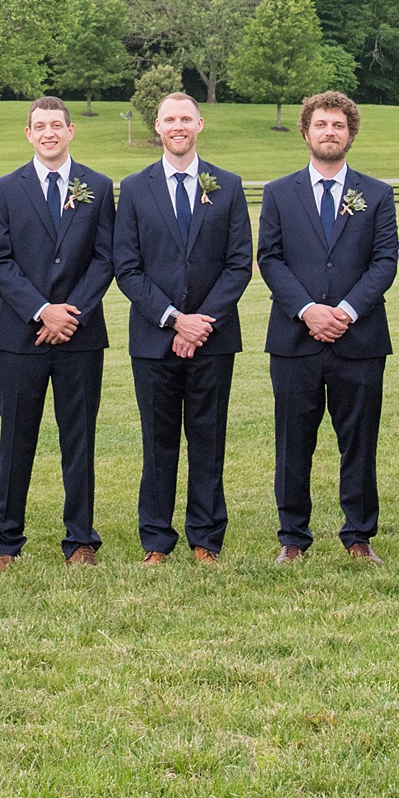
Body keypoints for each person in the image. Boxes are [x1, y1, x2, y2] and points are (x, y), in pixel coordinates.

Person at [256, 90, 399, 565]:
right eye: (322, 124)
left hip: (358, 340)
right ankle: (292, 537)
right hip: (295, 339)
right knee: (293, 439)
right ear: (306, 131)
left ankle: (359, 535)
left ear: (350, 134)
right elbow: (270, 259)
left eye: (339, 125)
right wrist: (307, 310)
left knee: (358, 439)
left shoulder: (377, 194)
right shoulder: (279, 193)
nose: (330, 132)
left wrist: (346, 311)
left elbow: (384, 261)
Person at [112, 91, 254, 565]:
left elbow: (238, 265)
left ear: (200, 124)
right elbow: (127, 268)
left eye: (186, 119)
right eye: (169, 119)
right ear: (157, 126)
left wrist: (200, 323)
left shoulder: (227, 185)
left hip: (213, 340)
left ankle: (206, 539)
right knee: (158, 441)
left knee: (208, 438)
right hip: (154, 339)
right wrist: (174, 319)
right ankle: (155, 539)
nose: (178, 126)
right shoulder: (134, 188)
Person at [0, 95, 116, 568]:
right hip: (21, 336)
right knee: (16, 437)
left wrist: (70, 312)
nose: (49, 133)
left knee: (78, 437)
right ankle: (6, 542)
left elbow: (106, 259)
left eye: (56, 125)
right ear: (28, 133)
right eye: (39, 126)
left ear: (70, 131)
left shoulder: (97, 187)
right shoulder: (5, 189)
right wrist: (42, 310)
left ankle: (80, 540)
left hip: (80, 336)